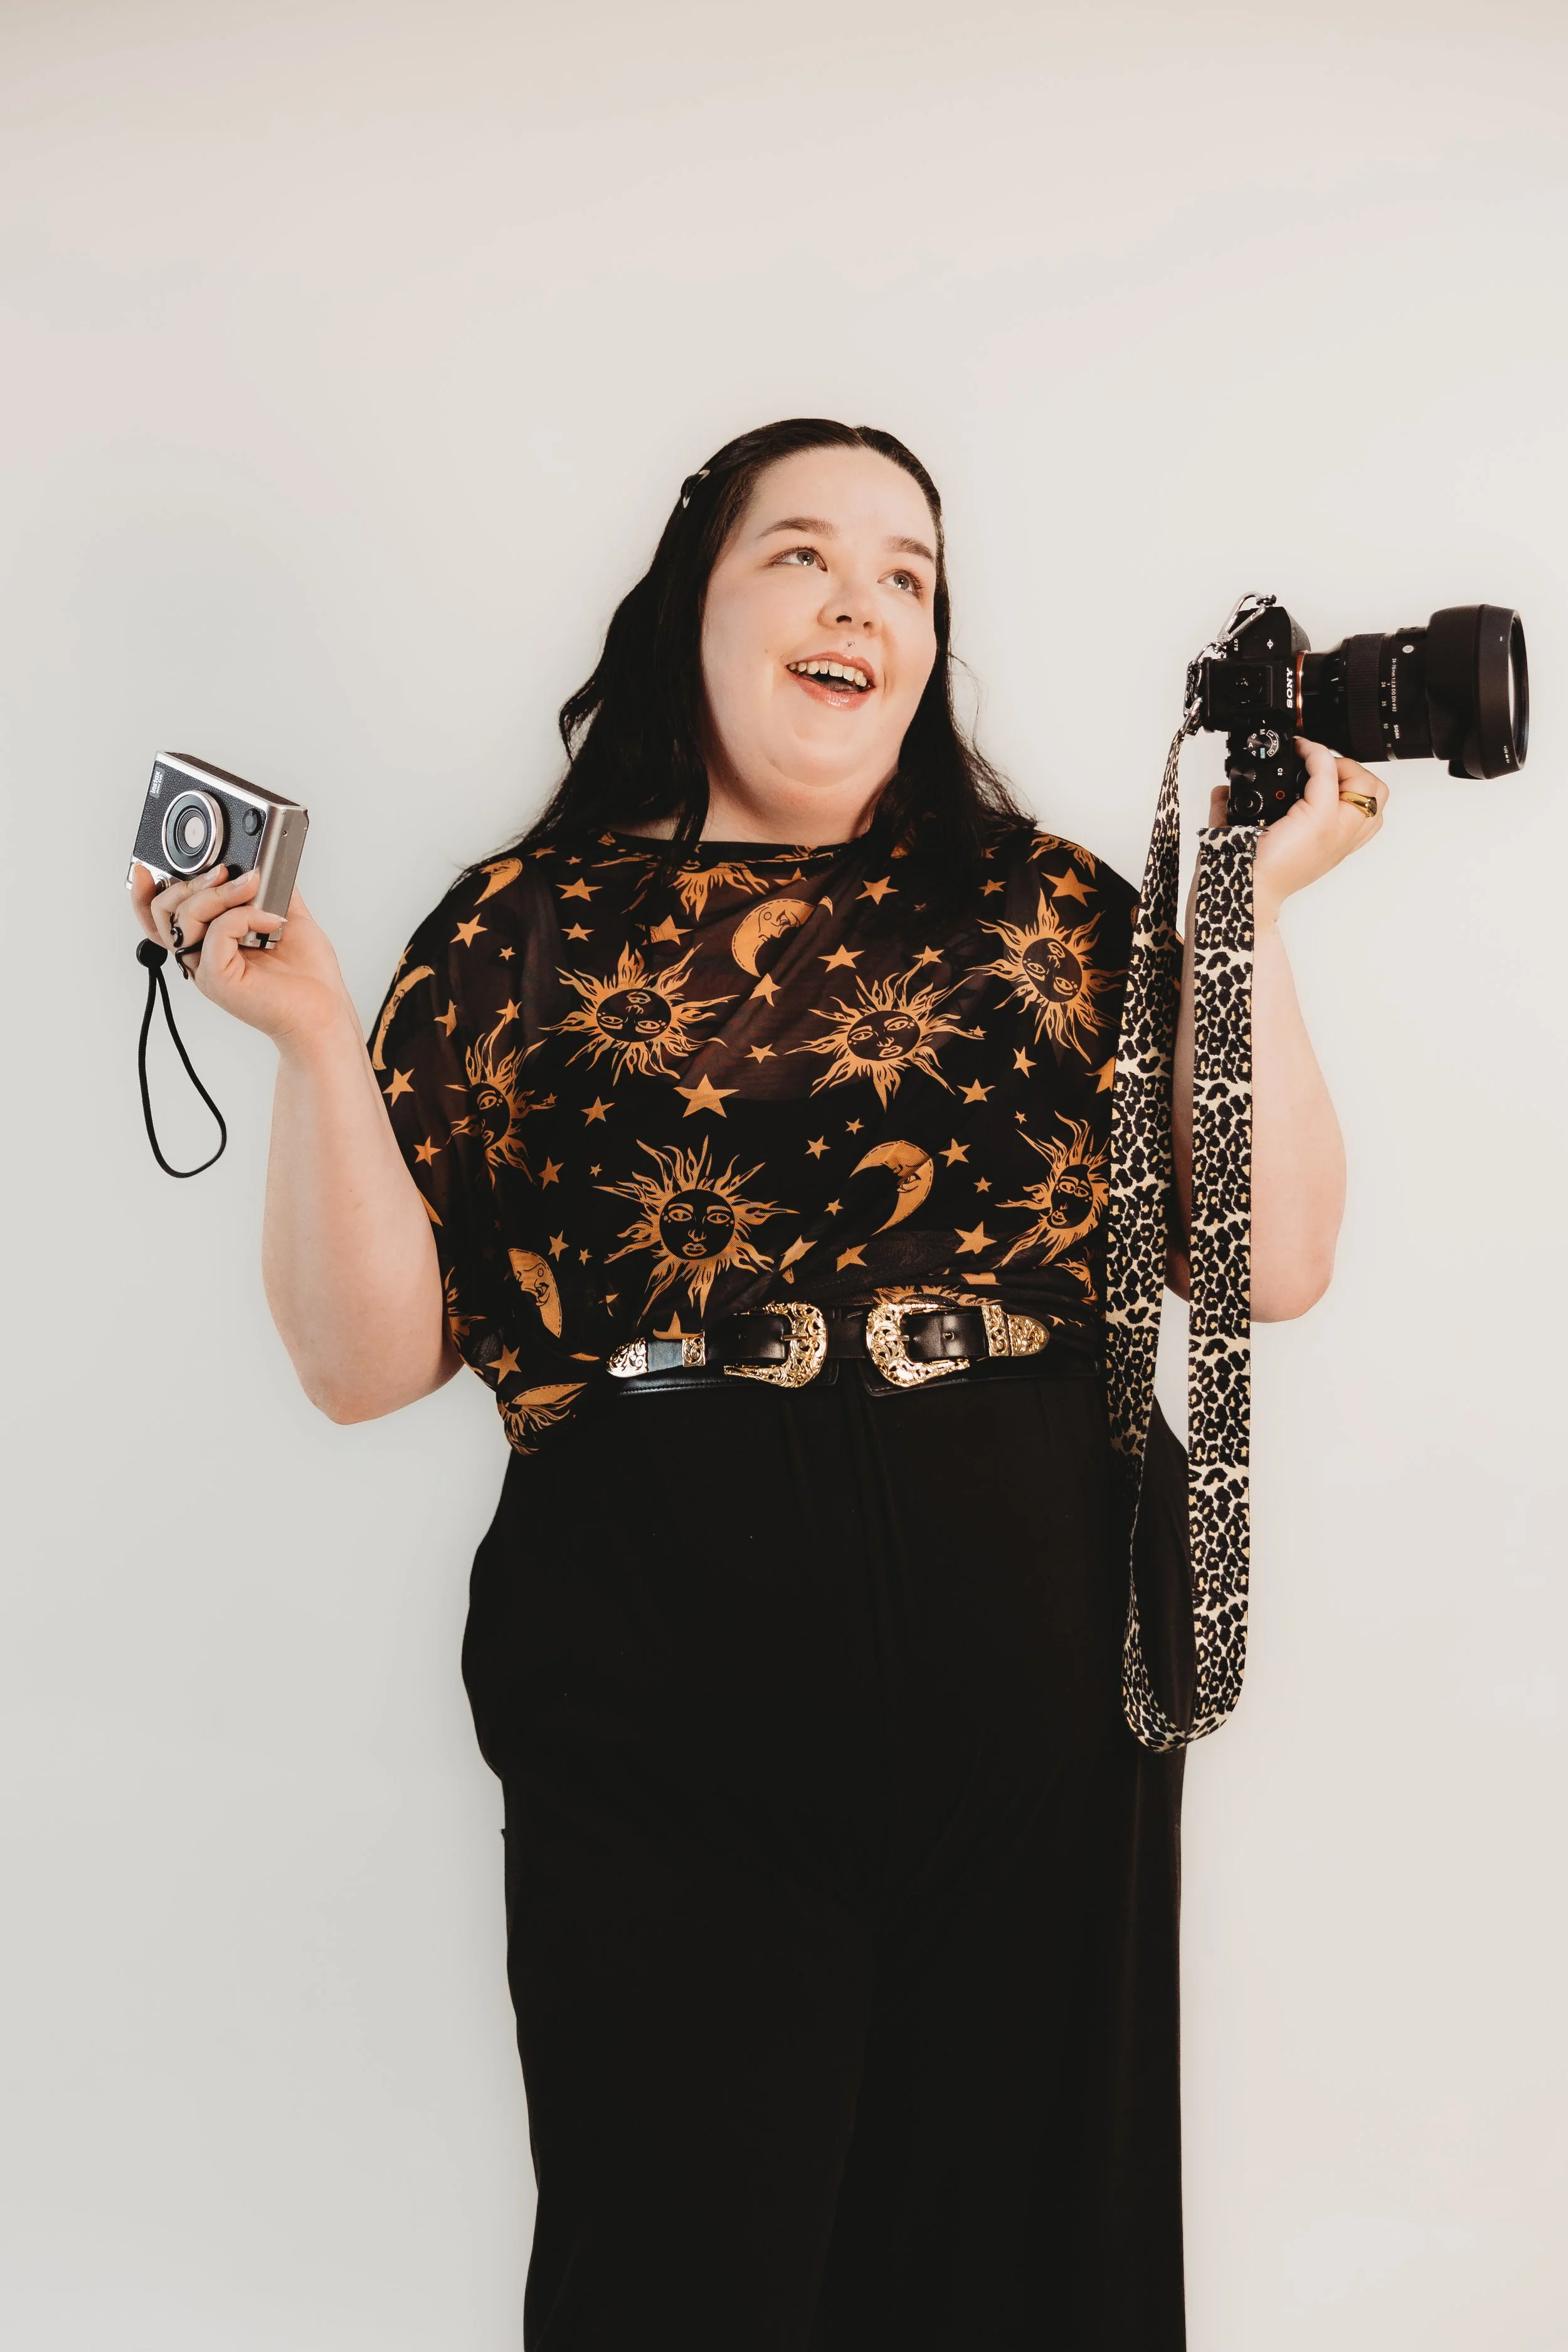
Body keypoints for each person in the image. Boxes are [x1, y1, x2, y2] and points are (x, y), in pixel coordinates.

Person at [130, 417, 1386, 2350]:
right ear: (690, 618)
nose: (860, 601)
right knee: (678, 2267)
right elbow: (368, 1360)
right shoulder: (510, 932)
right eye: (801, 555)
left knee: (1027, 2259)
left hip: (1035, 1652)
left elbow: (1272, 1258)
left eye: (906, 574)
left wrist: (1242, 908)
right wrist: (306, 1032)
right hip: (654, 1673)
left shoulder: (1061, 909)